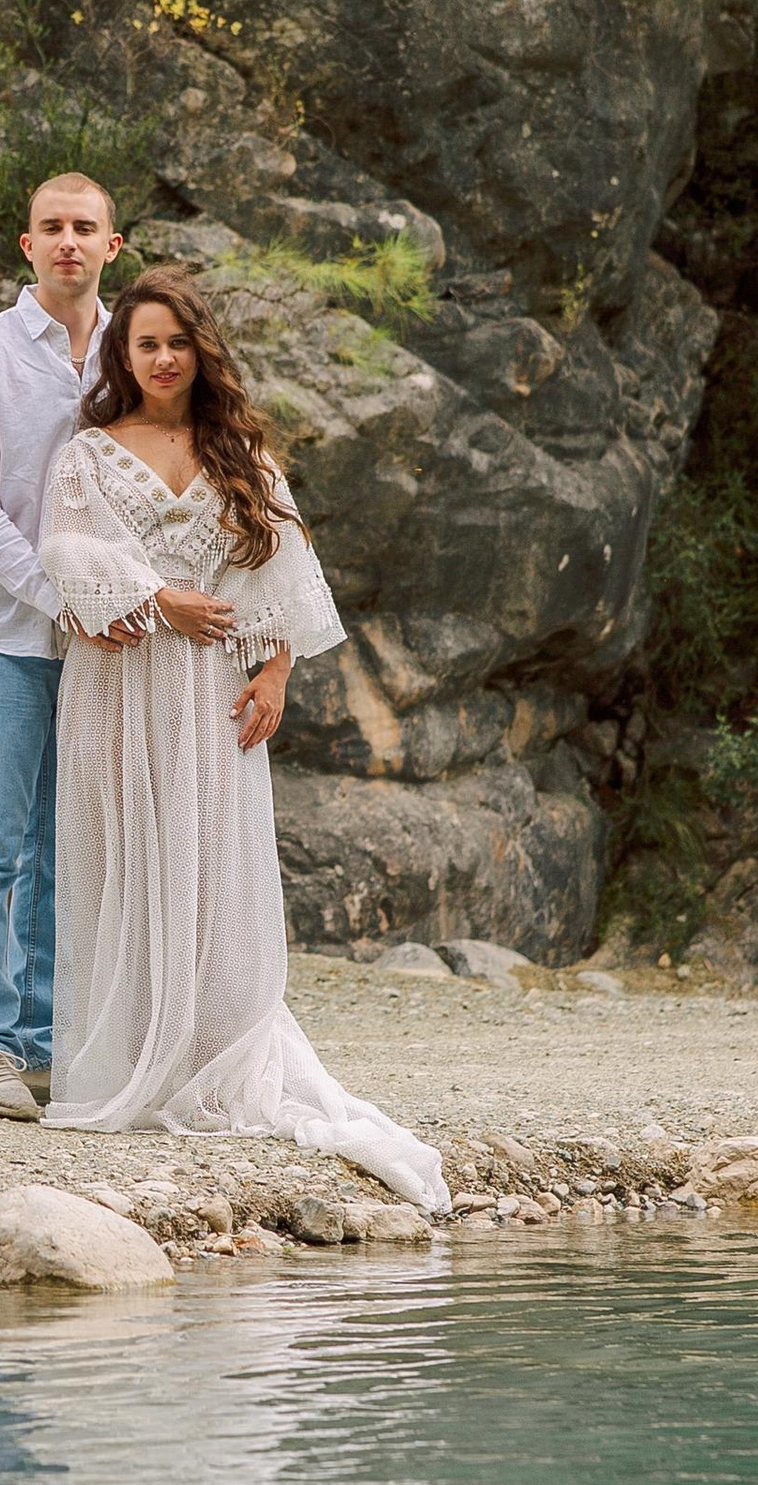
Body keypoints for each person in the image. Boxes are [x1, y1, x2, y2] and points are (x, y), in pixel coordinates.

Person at [35, 263, 448, 1208]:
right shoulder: (88, 455)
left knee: (213, 866)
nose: (164, 358)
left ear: (200, 350)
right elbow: (64, 550)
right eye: (146, 343)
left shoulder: (242, 456)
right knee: (125, 858)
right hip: (119, 683)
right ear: (121, 354)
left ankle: (212, 1055)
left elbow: (287, 568)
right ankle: (129, 1058)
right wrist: (156, 596)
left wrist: (276, 671)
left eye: (178, 342)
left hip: (217, 690)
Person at [0, 174, 132, 1120]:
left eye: (84, 228)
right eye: (52, 227)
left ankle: (49, 1046)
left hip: (106, 644)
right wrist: (61, 596)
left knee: (67, 847)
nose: (68, 242)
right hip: (5, 633)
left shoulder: (134, 354)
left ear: (112, 246)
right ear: (27, 244)